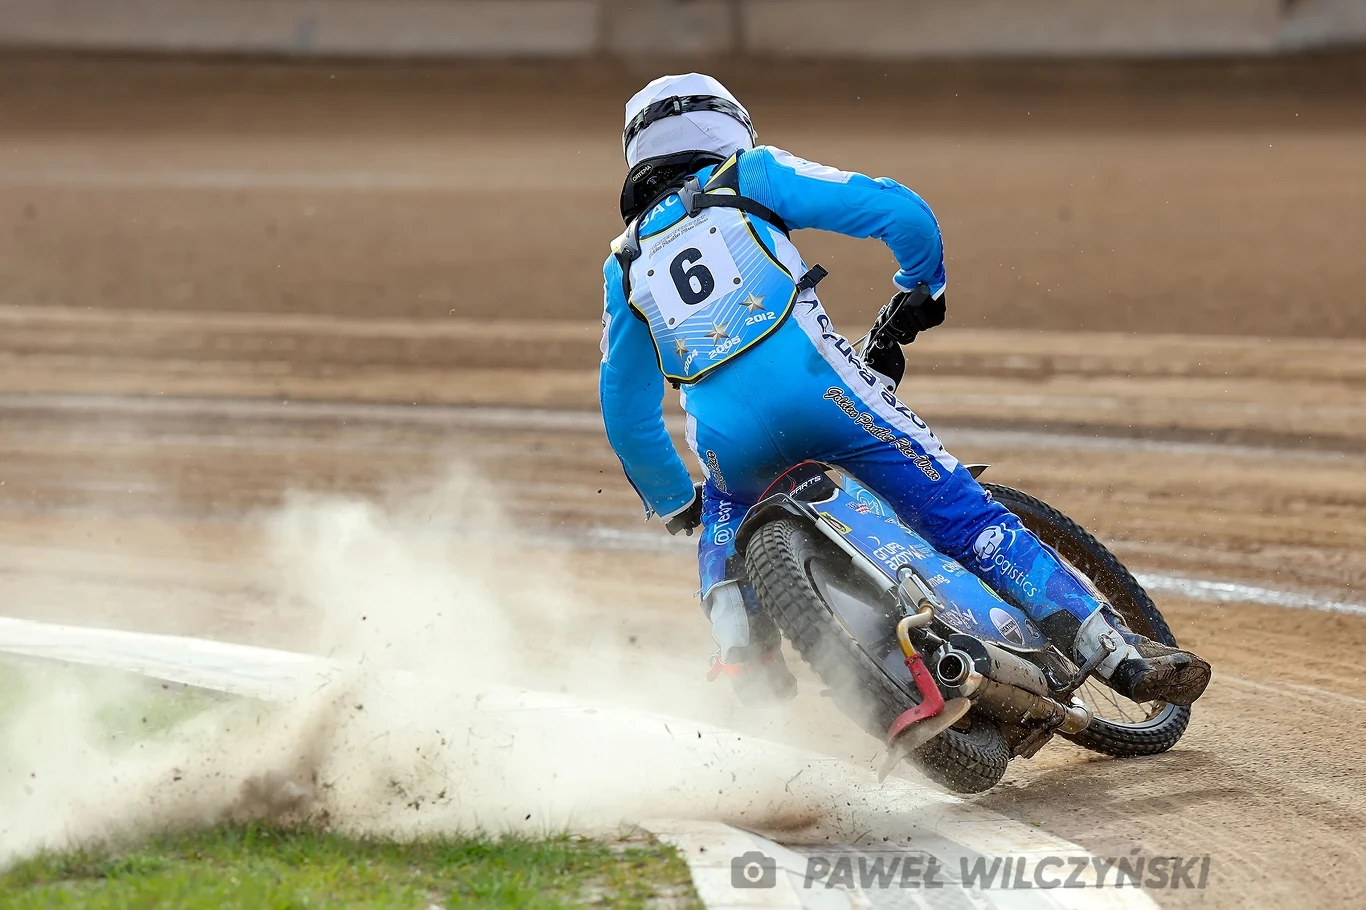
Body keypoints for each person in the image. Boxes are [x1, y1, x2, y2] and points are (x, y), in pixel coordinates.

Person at [599, 73, 1210, 709]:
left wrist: (674, 502)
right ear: (723, 125)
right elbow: (900, 212)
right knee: (963, 515)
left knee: (724, 519)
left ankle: (743, 661)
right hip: (823, 393)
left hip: (728, 439)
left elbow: (627, 412)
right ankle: (1115, 651)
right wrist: (922, 286)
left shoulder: (625, 262)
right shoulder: (750, 176)